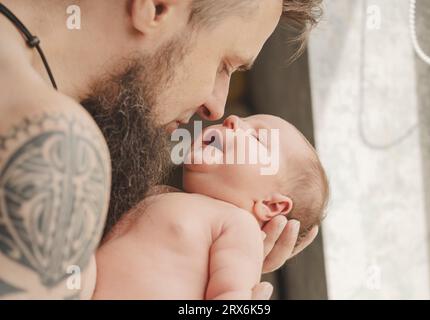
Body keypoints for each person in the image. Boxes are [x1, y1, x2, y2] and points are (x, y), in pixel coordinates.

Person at [0, 0, 322, 299]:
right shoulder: (53, 144)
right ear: (157, 7)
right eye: (224, 64)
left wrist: (198, 264)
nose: (216, 108)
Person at [93, 114, 329, 299]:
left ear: (271, 204)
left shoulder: (239, 227)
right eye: (242, 119)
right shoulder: (159, 192)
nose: (232, 120)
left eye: (258, 137)